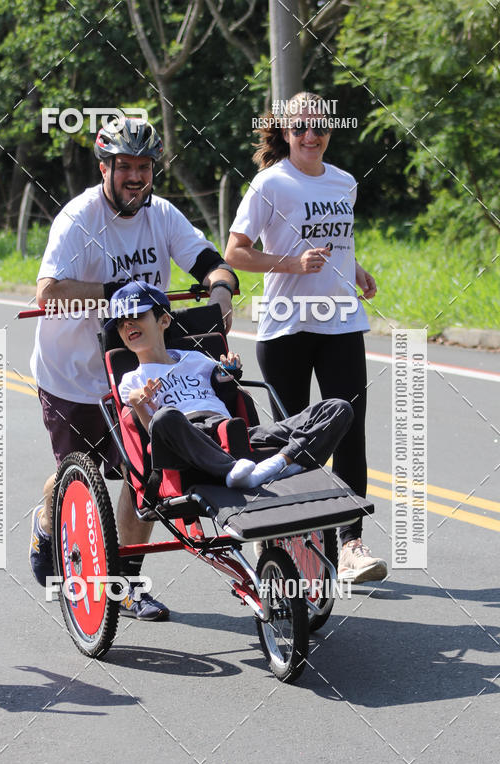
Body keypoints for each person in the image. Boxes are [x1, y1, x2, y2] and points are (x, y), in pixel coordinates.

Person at [29, 118, 238, 620]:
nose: (136, 177)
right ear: (105, 168)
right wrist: (120, 295)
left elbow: (213, 261)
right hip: (73, 376)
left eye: (144, 167)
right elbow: (48, 293)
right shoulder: (79, 219)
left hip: (137, 374)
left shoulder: (161, 215)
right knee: (75, 475)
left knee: (141, 478)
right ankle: (46, 520)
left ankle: (126, 583)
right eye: (125, 166)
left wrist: (221, 289)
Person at [225, 91, 387, 584]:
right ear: (286, 133)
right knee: (296, 441)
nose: (310, 136)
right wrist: (291, 264)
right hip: (286, 327)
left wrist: (353, 268)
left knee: (350, 429)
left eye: (319, 127)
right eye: (300, 129)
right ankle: (286, 540)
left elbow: (335, 239)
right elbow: (235, 252)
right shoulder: (270, 184)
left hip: (339, 322)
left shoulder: (344, 182)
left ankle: (351, 545)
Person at [108, 282, 353, 490]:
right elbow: (153, 429)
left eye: (136, 316)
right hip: (189, 441)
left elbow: (224, 386)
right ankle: (234, 470)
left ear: (164, 320)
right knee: (164, 417)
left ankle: (281, 461)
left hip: (232, 433)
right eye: (120, 323)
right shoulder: (132, 380)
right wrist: (140, 403)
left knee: (338, 408)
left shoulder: (194, 359)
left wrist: (229, 372)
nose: (127, 325)